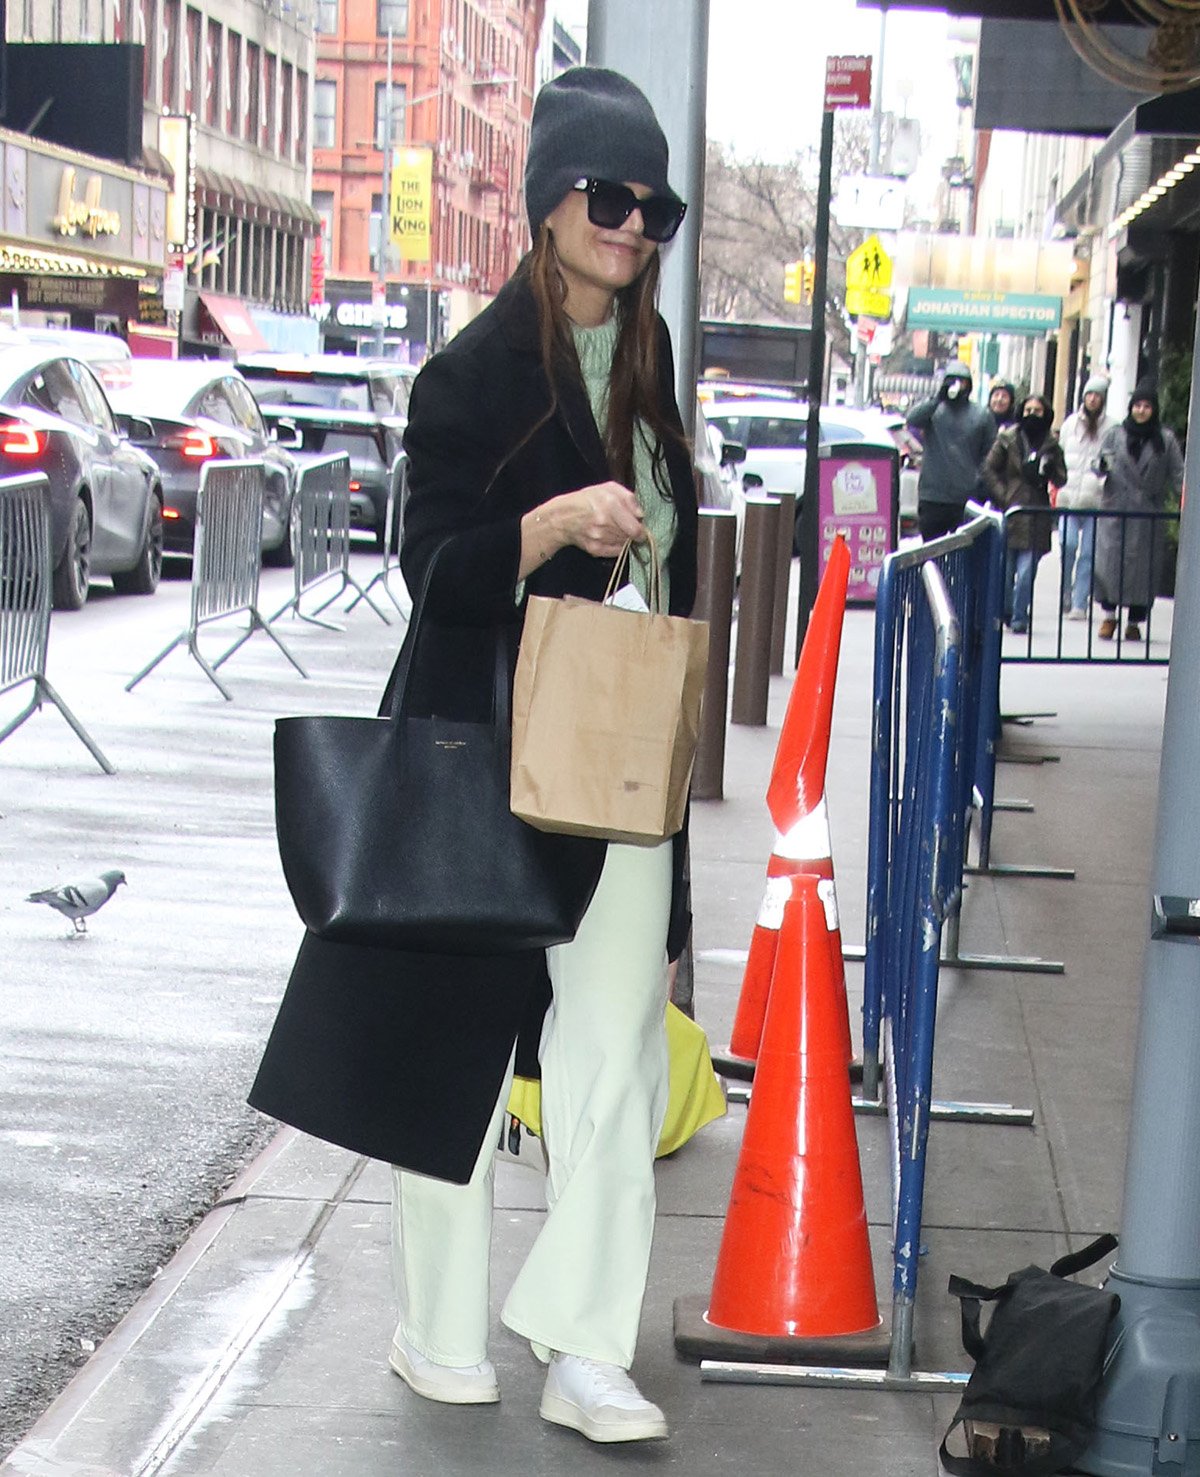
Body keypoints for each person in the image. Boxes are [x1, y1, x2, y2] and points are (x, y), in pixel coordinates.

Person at [249, 67, 696, 1446]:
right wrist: (551, 526)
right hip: (485, 751)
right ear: (547, 203)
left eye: (652, 205)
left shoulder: (653, 362)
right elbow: (430, 569)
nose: (631, 226)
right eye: (606, 197)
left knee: (612, 1047)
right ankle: (440, 1334)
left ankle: (584, 1344)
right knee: (444, 1046)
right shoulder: (470, 374)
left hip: (614, 754)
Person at [1093, 382, 1183, 641]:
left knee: (1143, 571)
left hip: (1147, 513)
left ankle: (1134, 621)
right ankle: (1109, 617)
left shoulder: (1165, 439)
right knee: (1110, 565)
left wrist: (1185, 501)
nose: (1141, 411)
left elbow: (1178, 473)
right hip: (1116, 509)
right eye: (1137, 406)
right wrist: (1100, 465)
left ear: (1153, 410)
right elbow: (1099, 464)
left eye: (1146, 406)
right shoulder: (1115, 434)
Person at [983, 393, 1068, 634]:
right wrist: (1003, 495)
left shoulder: (1051, 444)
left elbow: (1061, 479)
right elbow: (989, 468)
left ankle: (1020, 616)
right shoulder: (1007, 438)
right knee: (1006, 570)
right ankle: (1008, 611)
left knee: (1028, 571)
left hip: (1036, 514)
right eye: (1028, 410)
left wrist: (1051, 469)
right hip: (1011, 512)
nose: (1032, 415)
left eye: (1037, 411)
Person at [905, 361, 997, 540]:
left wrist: (981, 483)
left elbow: (990, 453)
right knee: (931, 551)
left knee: (964, 552)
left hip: (965, 496)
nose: (957, 385)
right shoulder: (934, 410)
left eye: (961, 381)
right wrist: (937, 399)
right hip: (933, 495)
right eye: (952, 381)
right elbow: (912, 418)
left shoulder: (981, 415)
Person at [1057, 375, 1113, 619]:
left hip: (1096, 500)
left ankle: (1080, 602)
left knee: (1089, 554)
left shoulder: (1112, 427)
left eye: (1097, 395)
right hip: (1069, 496)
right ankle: (1066, 593)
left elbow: (1113, 460)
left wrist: (1103, 469)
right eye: (1089, 394)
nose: (1092, 399)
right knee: (1067, 545)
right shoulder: (1070, 424)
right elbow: (1059, 455)